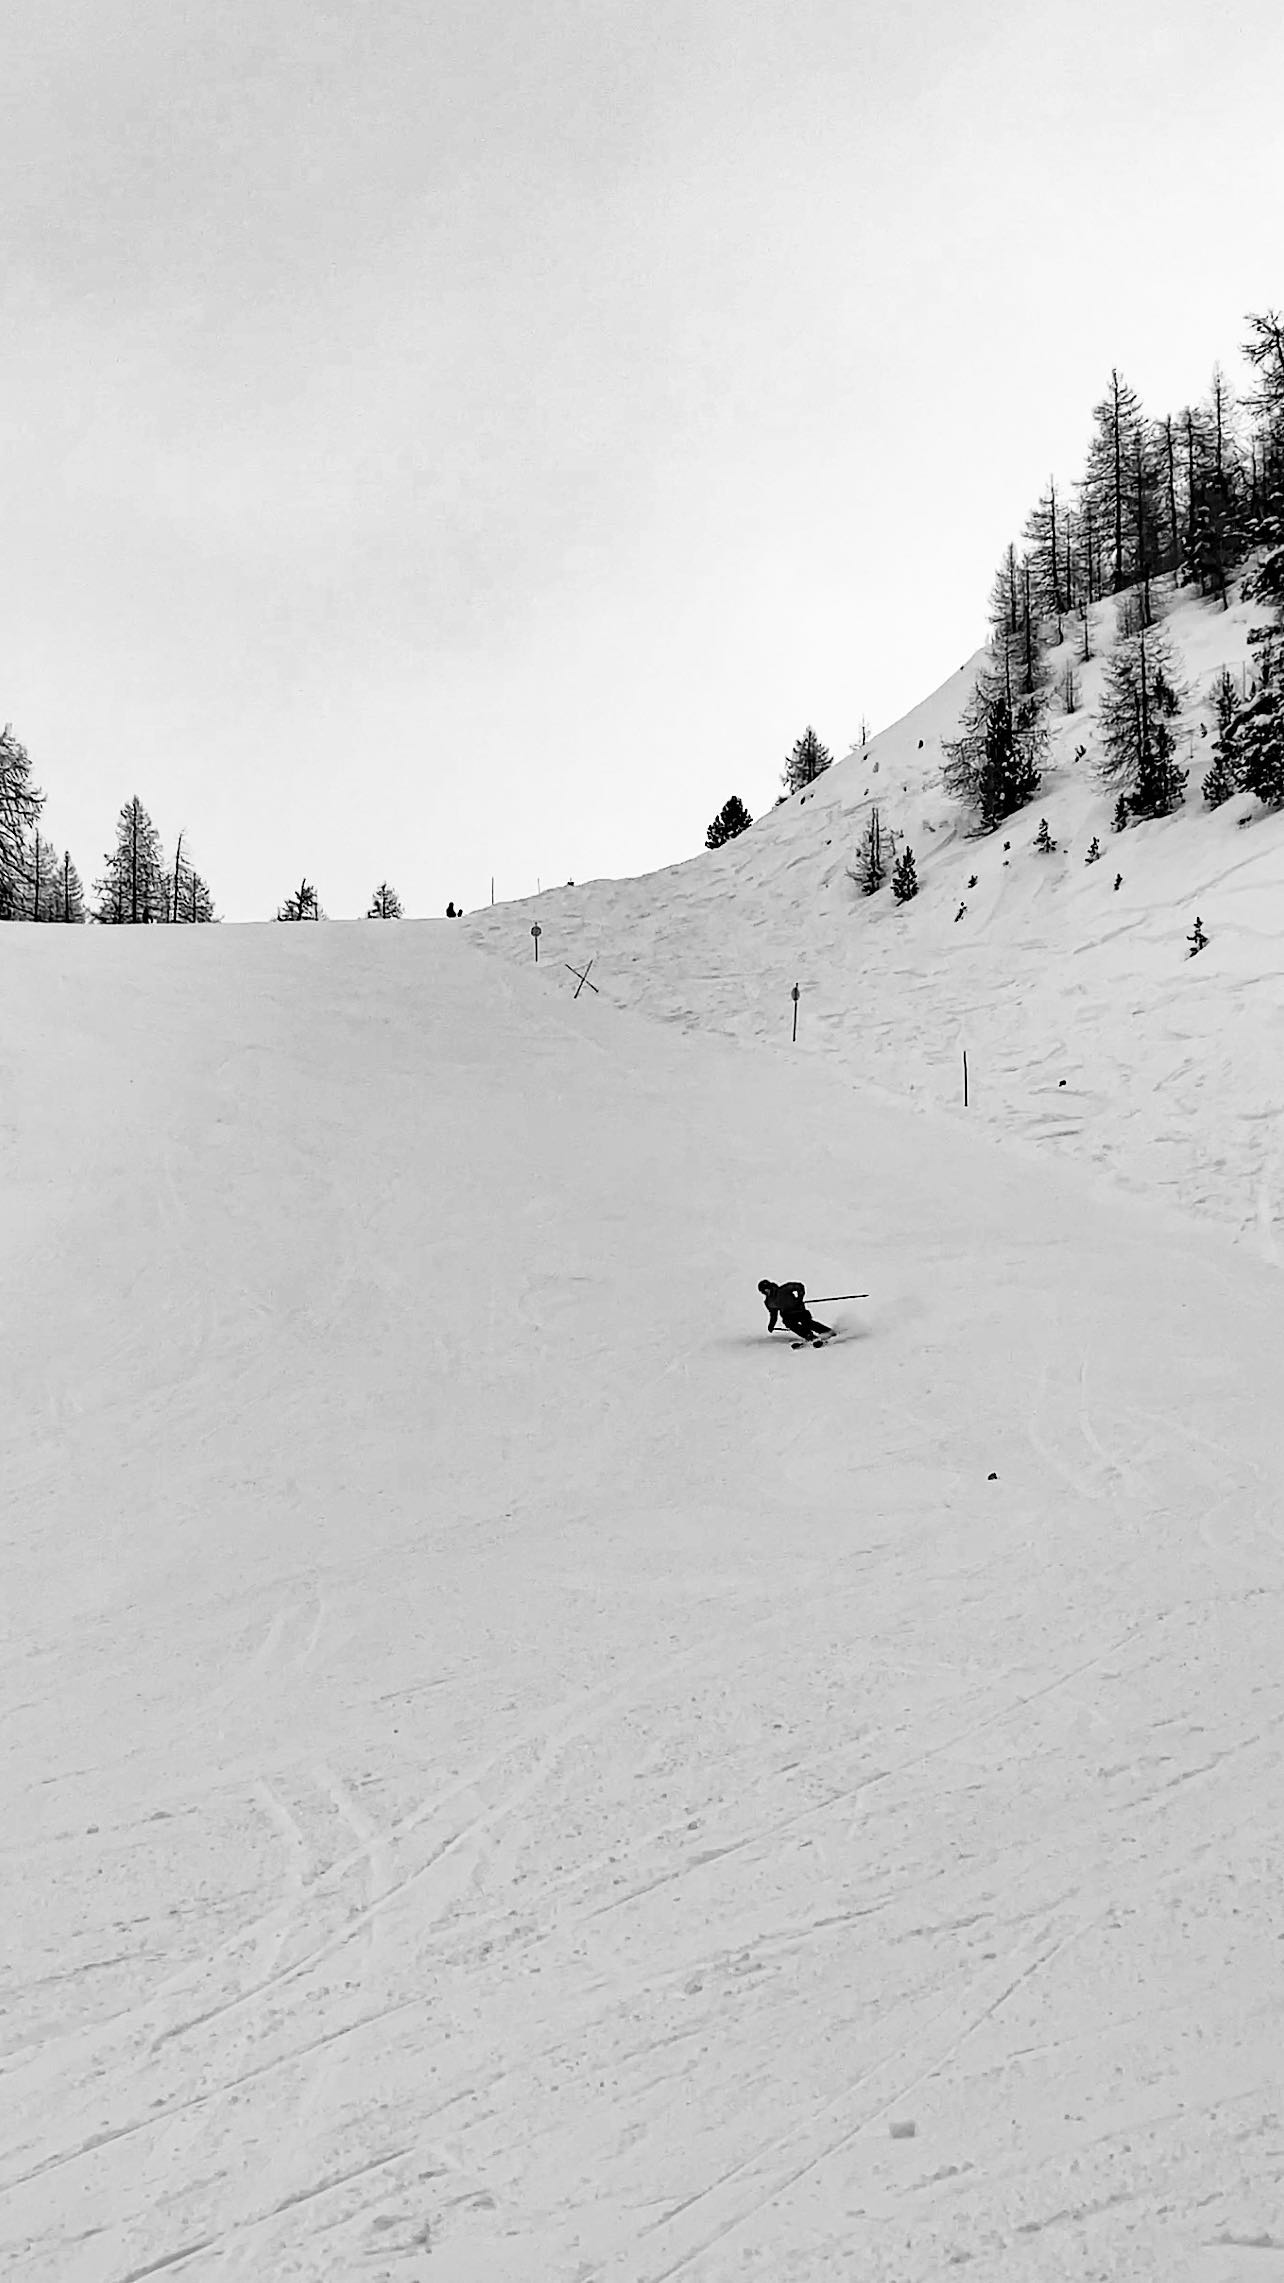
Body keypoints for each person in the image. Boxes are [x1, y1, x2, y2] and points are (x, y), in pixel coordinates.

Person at [758, 1278, 833, 1344]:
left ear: (770, 1287)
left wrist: (799, 1298)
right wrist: (771, 1325)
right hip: (787, 1315)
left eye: (766, 1289)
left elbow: (799, 1286)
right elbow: (773, 1314)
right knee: (789, 1323)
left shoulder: (783, 1289)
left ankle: (827, 1331)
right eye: (763, 1291)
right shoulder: (769, 1302)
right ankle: (809, 1335)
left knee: (806, 1322)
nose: (766, 1292)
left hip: (799, 1310)